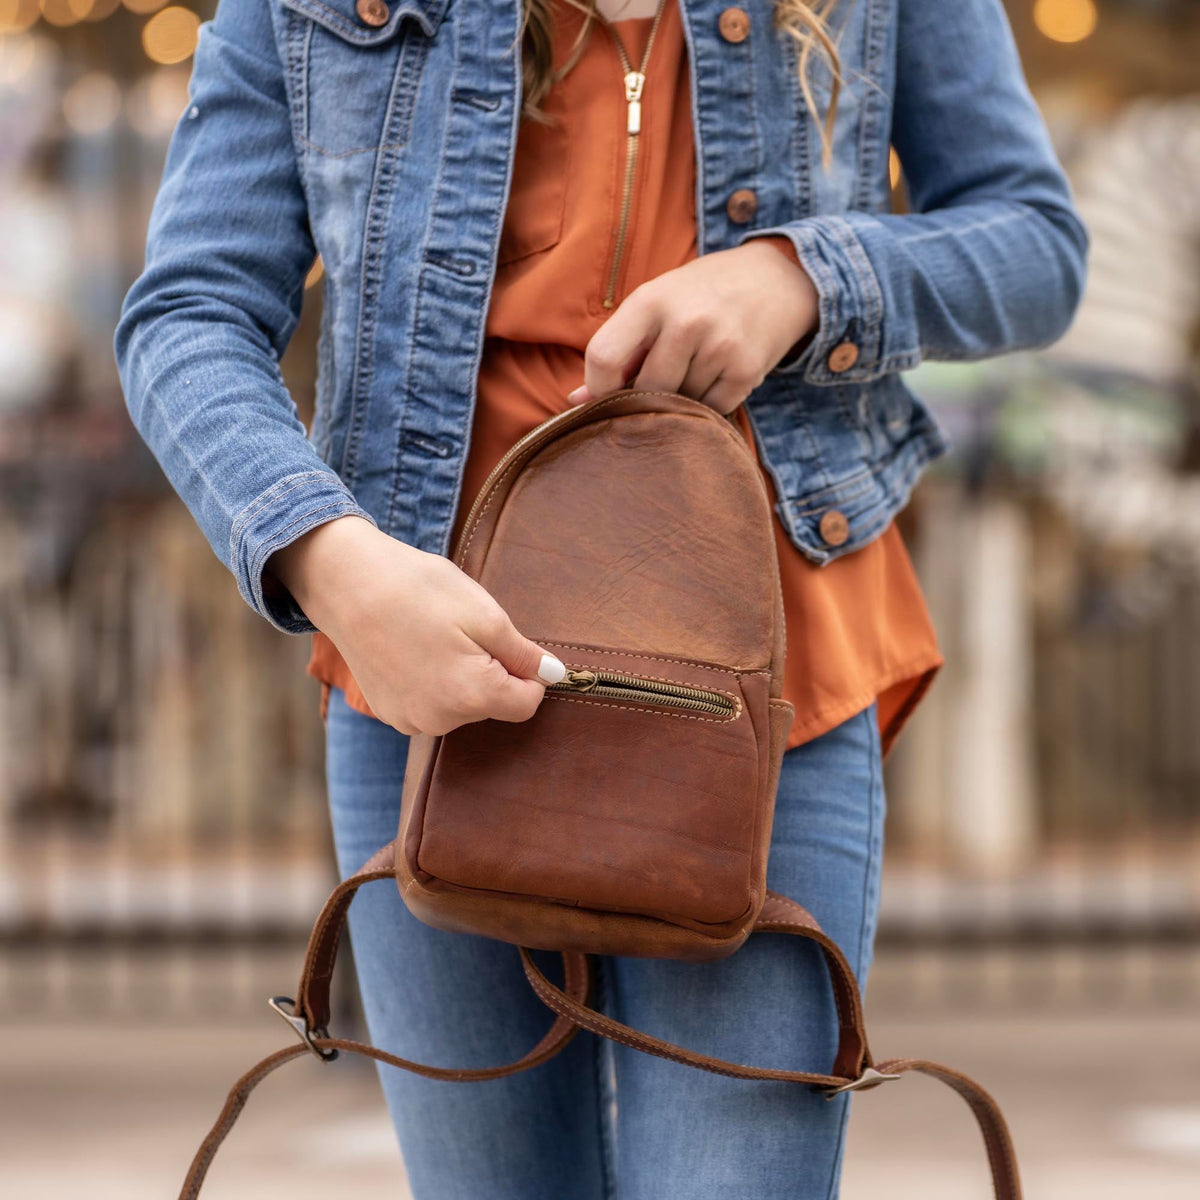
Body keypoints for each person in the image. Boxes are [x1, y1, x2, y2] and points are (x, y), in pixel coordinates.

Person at [114, 0, 1086, 1194]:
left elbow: (1039, 246)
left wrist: (800, 278)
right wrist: (331, 560)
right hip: (427, 697)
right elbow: (187, 313)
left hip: (762, 706)